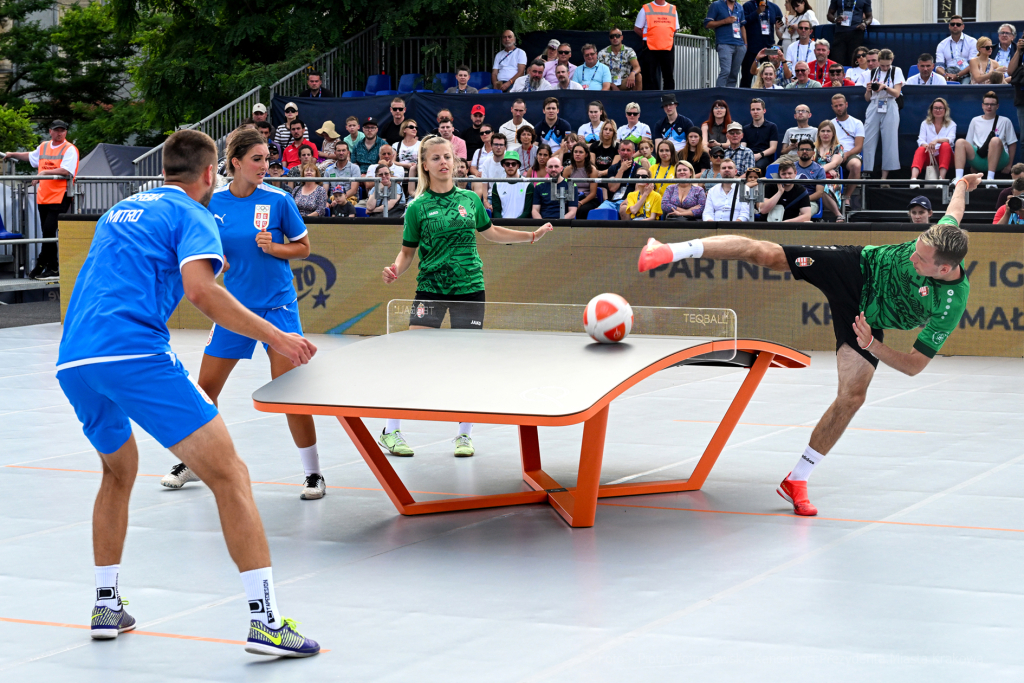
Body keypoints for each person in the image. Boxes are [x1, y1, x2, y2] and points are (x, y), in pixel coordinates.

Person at [57, 129, 320, 654]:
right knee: (231, 475)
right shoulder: (195, 213)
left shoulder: (122, 210)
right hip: (133, 354)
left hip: (74, 358)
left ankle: (106, 603)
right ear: (208, 174)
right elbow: (203, 291)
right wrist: (277, 337)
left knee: (118, 469)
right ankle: (266, 621)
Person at [639, 173, 982, 517]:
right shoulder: (938, 238)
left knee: (852, 397)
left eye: (921, 261)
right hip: (856, 267)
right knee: (766, 254)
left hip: (866, 321)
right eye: (916, 250)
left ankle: (797, 479)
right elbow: (955, 206)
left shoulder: (950, 303)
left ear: (946, 268)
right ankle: (668, 250)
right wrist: (964, 185)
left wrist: (872, 344)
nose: (912, 258)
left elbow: (914, 365)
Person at [379, 135, 554, 457]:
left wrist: (531, 236)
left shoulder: (471, 200)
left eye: (448, 156)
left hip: (470, 288)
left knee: (467, 363)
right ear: (425, 165)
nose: (444, 162)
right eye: (436, 158)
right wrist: (395, 269)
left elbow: (492, 232)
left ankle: (464, 435)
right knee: (412, 360)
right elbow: (406, 254)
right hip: (431, 289)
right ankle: (391, 430)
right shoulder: (417, 207)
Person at [2, 119, 78, 279]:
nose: (60, 133)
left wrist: (42, 173)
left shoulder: (70, 149)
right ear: (50, 131)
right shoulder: (44, 146)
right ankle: (46, 265)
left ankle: (48, 266)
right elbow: (31, 156)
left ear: (66, 132)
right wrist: (12, 154)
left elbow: (66, 170)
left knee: (50, 230)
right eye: (57, 130)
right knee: (46, 232)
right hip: (44, 196)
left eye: (62, 130)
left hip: (61, 195)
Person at [954, 91, 1018, 187]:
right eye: (987, 104)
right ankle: (958, 178)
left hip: (999, 159)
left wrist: (1009, 165)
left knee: (995, 140)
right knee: (960, 142)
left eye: (992, 104)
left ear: (997, 106)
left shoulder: (1005, 121)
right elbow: (969, 143)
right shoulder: (975, 120)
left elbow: (1012, 143)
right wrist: (973, 165)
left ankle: (990, 180)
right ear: (982, 106)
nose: (989, 107)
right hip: (979, 157)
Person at [862, 48, 904, 182]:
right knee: (868, 140)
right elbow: (867, 98)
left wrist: (884, 86)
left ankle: (884, 178)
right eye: (882, 65)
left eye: (887, 64)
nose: (885, 67)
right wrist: (869, 90)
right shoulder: (872, 72)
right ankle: (866, 173)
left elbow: (897, 93)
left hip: (890, 104)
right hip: (874, 104)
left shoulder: (896, 71)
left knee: (890, 141)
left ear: (892, 61)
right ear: (878, 62)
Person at [910, 98, 956, 185]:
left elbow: (950, 140)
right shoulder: (925, 123)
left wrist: (936, 141)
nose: (938, 110)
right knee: (920, 149)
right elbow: (921, 140)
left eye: (940, 108)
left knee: (945, 145)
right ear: (931, 110)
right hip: (930, 156)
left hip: (946, 158)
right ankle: (913, 179)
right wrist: (928, 147)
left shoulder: (952, 124)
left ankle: (941, 179)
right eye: (935, 108)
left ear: (945, 110)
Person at [739, 0, 784, 88]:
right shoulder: (747, 6)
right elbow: (743, 22)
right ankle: (744, 99)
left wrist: (783, 26)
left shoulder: (774, 7)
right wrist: (757, 12)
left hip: (769, 48)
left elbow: (781, 24)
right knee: (747, 76)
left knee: (769, 75)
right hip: (751, 47)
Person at [595, 139, 650, 212]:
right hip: (612, 202)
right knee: (596, 212)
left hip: (630, 201)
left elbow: (639, 190)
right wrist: (621, 170)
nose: (625, 153)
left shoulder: (639, 169)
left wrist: (628, 199)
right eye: (623, 150)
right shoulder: (613, 168)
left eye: (628, 150)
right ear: (619, 152)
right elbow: (612, 188)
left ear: (633, 152)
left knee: (624, 210)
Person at [830, 94, 864, 209]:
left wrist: (845, 155)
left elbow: (859, 147)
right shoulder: (829, 124)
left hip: (850, 154)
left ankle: (847, 196)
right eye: (836, 106)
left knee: (856, 165)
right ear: (832, 107)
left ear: (846, 105)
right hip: (833, 154)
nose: (839, 108)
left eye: (841, 105)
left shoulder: (857, 123)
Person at [705, 0, 747, 88]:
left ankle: (729, 98)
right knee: (726, 71)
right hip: (724, 43)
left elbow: (742, 26)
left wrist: (745, 45)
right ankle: (719, 97)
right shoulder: (716, 5)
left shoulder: (739, 7)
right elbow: (707, 24)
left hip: (739, 45)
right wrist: (725, 21)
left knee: (734, 74)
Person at [814, 120, 845, 219]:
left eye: (828, 131)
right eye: (823, 131)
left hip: (832, 178)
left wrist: (822, 171)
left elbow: (834, 163)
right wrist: (826, 170)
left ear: (833, 134)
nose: (825, 134)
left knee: (823, 185)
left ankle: (838, 214)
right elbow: (809, 163)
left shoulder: (838, 147)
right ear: (819, 133)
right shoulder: (813, 147)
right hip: (813, 176)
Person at [826, 0, 871, 67]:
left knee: (854, 61)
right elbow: (829, 14)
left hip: (856, 33)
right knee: (837, 61)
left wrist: (865, 24)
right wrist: (835, 19)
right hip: (840, 33)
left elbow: (869, 17)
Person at [935, 15, 977, 83]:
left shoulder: (972, 42)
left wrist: (957, 75)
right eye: (952, 24)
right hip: (948, 74)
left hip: (966, 74)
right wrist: (945, 75)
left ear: (963, 27)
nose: (955, 26)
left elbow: (973, 65)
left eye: (958, 24)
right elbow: (938, 66)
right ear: (949, 26)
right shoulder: (942, 44)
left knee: (964, 88)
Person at [491, 150, 533, 219]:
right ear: (504, 165)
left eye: (513, 164)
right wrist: (503, 224)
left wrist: (514, 224)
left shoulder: (528, 184)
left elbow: (527, 211)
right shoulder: (497, 185)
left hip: (521, 225)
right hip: (502, 225)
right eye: (507, 164)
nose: (510, 166)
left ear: (518, 166)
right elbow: (496, 211)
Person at [563, 141, 599, 218]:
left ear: (586, 155)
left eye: (580, 152)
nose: (577, 154)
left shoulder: (592, 170)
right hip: (572, 198)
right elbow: (564, 188)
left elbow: (593, 193)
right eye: (575, 152)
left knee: (582, 210)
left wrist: (581, 203)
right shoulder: (567, 169)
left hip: (588, 199)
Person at [744, 98, 780, 171]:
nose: (755, 112)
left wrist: (760, 155)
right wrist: (750, 156)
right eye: (753, 109)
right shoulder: (745, 128)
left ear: (764, 110)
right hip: (749, 156)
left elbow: (773, 148)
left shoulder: (772, 126)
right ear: (750, 111)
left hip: (765, 157)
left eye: (758, 109)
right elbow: (743, 146)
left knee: (756, 168)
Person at [793, 138, 825, 211]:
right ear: (798, 153)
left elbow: (819, 193)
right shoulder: (791, 167)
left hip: (810, 202)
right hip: (790, 200)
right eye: (802, 149)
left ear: (813, 153)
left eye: (808, 149)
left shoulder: (819, 170)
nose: (804, 151)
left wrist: (801, 200)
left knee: (801, 215)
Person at [396, 120, 421, 185]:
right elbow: (392, 161)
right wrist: (406, 165)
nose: (414, 129)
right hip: (400, 174)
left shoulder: (421, 144)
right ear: (404, 130)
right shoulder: (396, 145)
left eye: (416, 128)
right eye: (411, 127)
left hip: (417, 174)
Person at [1012, 36, 1024, 158]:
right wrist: (1018, 51)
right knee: (1023, 140)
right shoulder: (1020, 52)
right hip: (1022, 99)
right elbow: (1010, 71)